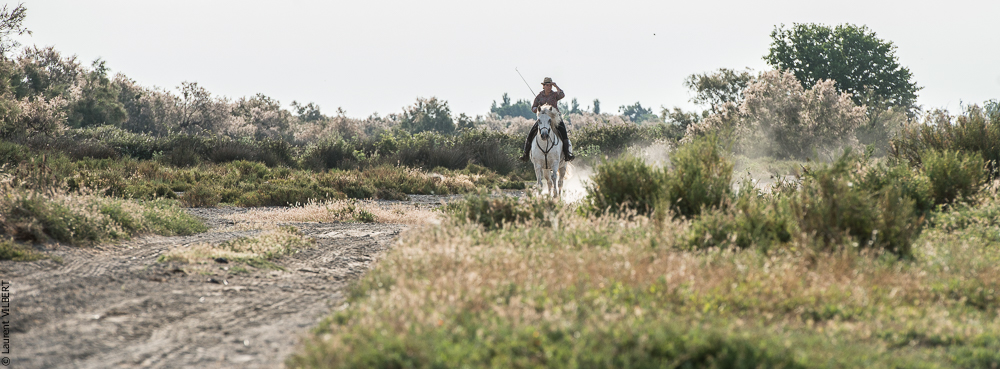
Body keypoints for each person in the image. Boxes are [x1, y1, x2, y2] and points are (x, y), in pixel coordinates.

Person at [519, 77, 575, 162]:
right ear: (544, 86)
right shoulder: (539, 96)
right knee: (530, 134)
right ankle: (525, 155)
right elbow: (533, 107)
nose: (549, 87)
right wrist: (537, 109)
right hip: (543, 119)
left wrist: (556, 86)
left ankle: (567, 154)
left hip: (555, 119)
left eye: (550, 85)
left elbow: (562, 95)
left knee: (564, 134)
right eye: (547, 85)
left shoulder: (555, 95)